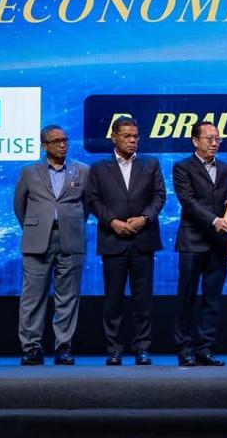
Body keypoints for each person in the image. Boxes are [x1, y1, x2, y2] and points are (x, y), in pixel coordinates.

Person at [85, 116, 167, 366]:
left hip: (144, 239)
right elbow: (93, 199)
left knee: (143, 300)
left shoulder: (151, 164)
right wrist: (112, 222)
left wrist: (144, 218)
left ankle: (142, 349)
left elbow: (159, 196)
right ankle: (114, 350)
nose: (133, 141)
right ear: (114, 138)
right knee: (113, 300)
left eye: (135, 137)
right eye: (127, 136)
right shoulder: (99, 167)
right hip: (113, 239)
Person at [13, 124, 89, 366]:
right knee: (32, 297)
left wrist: (70, 223)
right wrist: (36, 227)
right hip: (37, 241)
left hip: (71, 239)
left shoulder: (82, 170)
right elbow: (19, 206)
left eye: (65, 140)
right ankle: (31, 348)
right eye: (56, 141)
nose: (63, 144)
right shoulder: (29, 172)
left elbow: (87, 206)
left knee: (68, 296)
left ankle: (63, 347)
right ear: (44, 146)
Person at [171, 120, 227, 367]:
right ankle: (184, 348)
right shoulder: (182, 167)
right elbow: (188, 201)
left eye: (218, 138)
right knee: (186, 297)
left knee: (212, 299)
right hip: (192, 241)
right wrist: (214, 220)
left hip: (218, 243)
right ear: (195, 141)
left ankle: (205, 349)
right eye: (209, 138)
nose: (215, 143)